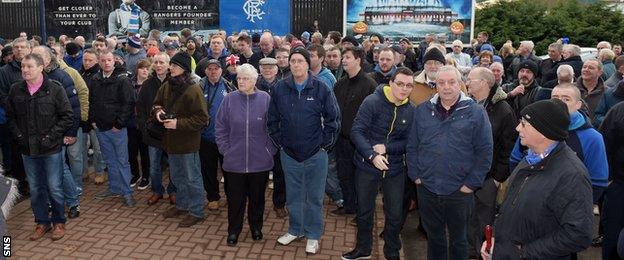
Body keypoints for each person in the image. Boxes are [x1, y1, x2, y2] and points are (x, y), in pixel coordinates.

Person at [481, 99, 593, 259]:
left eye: (524, 124)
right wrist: (495, 240)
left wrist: (521, 253)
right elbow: (511, 207)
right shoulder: (529, 159)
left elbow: (578, 234)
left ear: (543, 131)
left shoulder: (572, 175)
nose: (518, 127)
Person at [407, 66, 493, 260]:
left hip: (460, 191)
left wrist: (471, 184)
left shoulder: (476, 112)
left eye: (452, 82)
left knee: (459, 240)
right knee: (434, 237)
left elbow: (485, 152)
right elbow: (412, 146)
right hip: (427, 188)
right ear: (435, 85)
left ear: (460, 84)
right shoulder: (422, 110)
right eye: (441, 83)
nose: (446, 87)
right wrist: (416, 175)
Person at [269, 48, 340, 254]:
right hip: (289, 153)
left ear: (308, 64)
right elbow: (271, 120)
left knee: (314, 197)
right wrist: (280, 143)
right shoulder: (280, 88)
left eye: (300, 61)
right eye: (293, 61)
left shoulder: (321, 88)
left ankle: (313, 234)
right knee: (293, 195)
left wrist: (324, 146)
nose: (296, 64)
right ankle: (295, 229)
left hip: (316, 154)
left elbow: (333, 119)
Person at [342, 67, 414, 260]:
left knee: (395, 214)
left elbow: (410, 142)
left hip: (395, 169)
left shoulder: (411, 109)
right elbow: (357, 131)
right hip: (367, 166)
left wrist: (387, 147)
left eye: (409, 85)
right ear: (391, 83)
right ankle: (363, 248)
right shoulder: (372, 101)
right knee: (364, 211)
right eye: (400, 83)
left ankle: (391, 252)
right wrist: (372, 155)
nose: (404, 89)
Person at [6, 53, 74, 240]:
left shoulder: (54, 89)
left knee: (54, 187)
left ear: (41, 67)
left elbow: (67, 116)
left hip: (51, 149)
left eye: (29, 66)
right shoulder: (15, 90)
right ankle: (41, 222)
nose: (25, 70)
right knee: (36, 188)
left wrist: (50, 137)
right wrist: (19, 136)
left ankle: (59, 222)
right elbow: (10, 117)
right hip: (28, 150)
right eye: (22, 67)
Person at [215, 63, 275, 246]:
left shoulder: (265, 99)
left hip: (260, 162)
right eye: (239, 78)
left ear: (255, 80)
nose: (241, 81)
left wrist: (269, 150)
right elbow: (220, 127)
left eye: (245, 78)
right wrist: (226, 150)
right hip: (234, 162)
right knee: (235, 200)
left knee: (257, 199)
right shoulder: (229, 99)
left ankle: (256, 227)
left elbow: (274, 127)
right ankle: (234, 230)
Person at [152, 52, 209, 227]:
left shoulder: (194, 89)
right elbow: (156, 104)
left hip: (188, 143)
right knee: (176, 177)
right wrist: (158, 112)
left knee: (192, 178)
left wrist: (177, 123)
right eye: (172, 65)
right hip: (170, 142)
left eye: (175, 66)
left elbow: (202, 119)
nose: (171, 68)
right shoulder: (167, 85)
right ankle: (182, 206)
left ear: (184, 69)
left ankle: (197, 211)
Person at [465, 67, 517, 257]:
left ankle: (480, 252)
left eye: (470, 79)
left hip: (488, 178)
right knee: (466, 216)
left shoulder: (503, 110)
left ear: (484, 83)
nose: (467, 82)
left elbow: (508, 147)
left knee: (483, 219)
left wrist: (497, 178)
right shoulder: (467, 103)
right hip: (465, 174)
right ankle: (467, 249)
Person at [332, 47, 377, 218]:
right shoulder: (340, 84)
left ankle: (362, 213)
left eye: (347, 57)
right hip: (341, 139)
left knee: (361, 179)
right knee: (344, 175)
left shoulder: (369, 85)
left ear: (358, 60)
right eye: (343, 57)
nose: (343, 60)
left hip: (361, 142)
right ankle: (349, 206)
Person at [89, 50, 136, 207]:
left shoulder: (123, 80)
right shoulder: (95, 79)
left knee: (122, 160)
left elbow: (128, 103)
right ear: (99, 62)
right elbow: (92, 101)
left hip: (117, 129)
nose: (106, 63)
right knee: (109, 160)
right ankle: (115, 188)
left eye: (109, 60)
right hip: (100, 128)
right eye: (103, 60)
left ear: (114, 61)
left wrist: (119, 124)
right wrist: (93, 120)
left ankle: (127, 192)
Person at [136, 53, 176, 205]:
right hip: (152, 134)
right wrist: (143, 126)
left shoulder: (174, 82)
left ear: (168, 65)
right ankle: (157, 191)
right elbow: (140, 107)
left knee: (173, 165)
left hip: (171, 132)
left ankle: (173, 190)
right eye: (156, 62)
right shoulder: (147, 84)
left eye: (161, 62)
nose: (158, 65)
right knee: (154, 167)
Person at [198, 59, 233, 211]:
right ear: (205, 71)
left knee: (229, 170)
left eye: (216, 68)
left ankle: (231, 196)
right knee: (208, 170)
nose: (213, 71)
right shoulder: (199, 87)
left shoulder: (229, 86)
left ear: (221, 70)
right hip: (206, 137)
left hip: (226, 138)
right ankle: (213, 197)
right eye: (210, 69)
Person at [255, 57, 288, 217]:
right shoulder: (253, 86)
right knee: (258, 173)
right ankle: (256, 201)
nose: (267, 70)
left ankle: (279, 203)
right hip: (258, 136)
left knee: (279, 172)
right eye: (264, 67)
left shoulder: (284, 86)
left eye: (271, 68)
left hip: (278, 134)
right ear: (260, 69)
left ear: (277, 70)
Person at [599, 101, 624, 260]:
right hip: (619, 185)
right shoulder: (618, 112)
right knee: (613, 235)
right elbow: (603, 144)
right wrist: (608, 179)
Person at [80, 49, 108, 185]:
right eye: (85, 59)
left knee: (98, 148)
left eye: (90, 60)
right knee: (82, 148)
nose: (87, 62)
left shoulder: (99, 76)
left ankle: (99, 172)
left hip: (96, 119)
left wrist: (95, 118)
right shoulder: (79, 74)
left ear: (96, 61)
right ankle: (83, 171)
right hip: (81, 118)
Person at [128, 59, 150, 189]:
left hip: (145, 124)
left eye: (147, 68)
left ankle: (146, 176)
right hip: (131, 123)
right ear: (137, 69)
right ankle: (135, 174)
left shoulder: (150, 85)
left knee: (145, 152)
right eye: (142, 68)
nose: (145, 71)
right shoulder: (130, 83)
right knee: (131, 151)